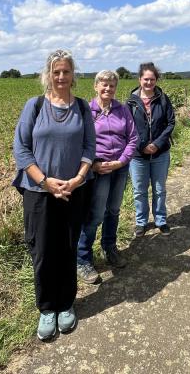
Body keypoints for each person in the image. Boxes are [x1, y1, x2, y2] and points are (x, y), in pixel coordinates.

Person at [12, 49, 96, 341]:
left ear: (74, 75)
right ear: (48, 74)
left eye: (66, 71)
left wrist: (78, 179)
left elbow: (89, 148)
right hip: (39, 192)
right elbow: (21, 149)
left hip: (74, 190)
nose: (61, 77)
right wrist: (46, 181)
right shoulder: (34, 106)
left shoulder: (83, 108)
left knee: (68, 247)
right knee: (44, 251)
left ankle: (66, 303)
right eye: (56, 71)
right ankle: (47, 308)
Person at [76, 70, 138, 284]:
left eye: (112, 85)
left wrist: (121, 161)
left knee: (113, 210)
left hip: (120, 168)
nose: (108, 89)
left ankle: (109, 248)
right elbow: (80, 141)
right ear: (95, 86)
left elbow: (133, 138)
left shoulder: (123, 110)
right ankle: (83, 258)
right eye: (104, 85)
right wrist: (93, 165)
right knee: (95, 214)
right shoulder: (86, 110)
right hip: (99, 170)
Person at [126, 63, 176, 238]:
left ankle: (161, 220)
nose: (149, 82)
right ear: (140, 79)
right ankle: (141, 222)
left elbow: (170, 122)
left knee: (159, 189)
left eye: (152, 79)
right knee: (139, 190)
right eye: (145, 79)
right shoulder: (131, 102)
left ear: (156, 80)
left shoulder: (163, 98)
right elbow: (127, 128)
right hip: (138, 156)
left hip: (160, 153)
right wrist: (141, 145)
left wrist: (157, 143)